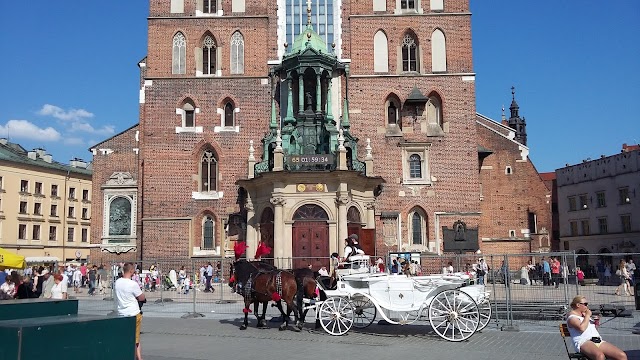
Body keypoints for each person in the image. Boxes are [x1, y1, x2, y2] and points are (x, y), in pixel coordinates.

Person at [567, 295, 627, 360]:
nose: (587, 306)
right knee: (600, 356)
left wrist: (596, 322)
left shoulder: (583, 315)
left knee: (621, 355)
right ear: (578, 305)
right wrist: (587, 315)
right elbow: (582, 329)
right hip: (583, 342)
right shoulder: (572, 317)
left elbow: (593, 330)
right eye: (585, 304)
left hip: (596, 340)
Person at [116, 262, 146, 360]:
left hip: (122, 313)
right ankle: (139, 358)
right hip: (133, 313)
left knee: (125, 337)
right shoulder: (133, 284)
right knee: (136, 339)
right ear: (131, 271)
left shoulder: (118, 282)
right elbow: (141, 298)